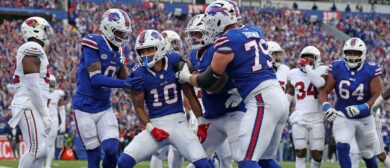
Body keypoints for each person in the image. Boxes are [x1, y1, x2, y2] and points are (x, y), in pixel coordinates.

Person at [177, 1, 289, 167]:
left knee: (246, 160)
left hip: (261, 100)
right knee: (265, 160)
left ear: (220, 20)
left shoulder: (226, 40)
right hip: (276, 95)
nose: (208, 27)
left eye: (210, 21)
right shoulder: (254, 30)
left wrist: (187, 77)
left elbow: (208, 80)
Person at [118, 29, 213, 168]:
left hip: (179, 123)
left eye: (149, 49)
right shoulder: (139, 73)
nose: (145, 55)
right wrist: (151, 128)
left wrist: (201, 121)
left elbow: (190, 95)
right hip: (156, 124)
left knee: (204, 164)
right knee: (123, 162)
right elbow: (138, 106)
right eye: (142, 51)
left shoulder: (174, 62)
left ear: (161, 47)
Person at [71, 9, 143, 168]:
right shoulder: (93, 42)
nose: (123, 37)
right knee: (94, 157)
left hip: (104, 106)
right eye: (119, 32)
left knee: (111, 151)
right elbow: (96, 79)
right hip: (84, 107)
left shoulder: (122, 50)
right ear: (107, 28)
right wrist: (126, 83)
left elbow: (126, 82)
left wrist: (142, 79)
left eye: (125, 33)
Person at [185, 14, 246, 168]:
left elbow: (213, 86)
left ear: (210, 32)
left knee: (242, 158)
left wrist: (189, 77)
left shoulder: (219, 50)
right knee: (198, 159)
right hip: (213, 115)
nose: (193, 38)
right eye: (192, 34)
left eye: (197, 34)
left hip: (233, 112)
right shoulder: (194, 53)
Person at [319, 37, 382, 168]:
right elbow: (324, 91)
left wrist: (362, 107)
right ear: (344, 53)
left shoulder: (371, 70)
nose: (352, 56)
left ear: (363, 54)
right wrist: (327, 107)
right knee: (342, 145)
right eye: (349, 52)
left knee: (367, 153)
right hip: (344, 115)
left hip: (365, 118)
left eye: (356, 53)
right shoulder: (336, 67)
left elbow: (377, 94)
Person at [8, 16, 54, 168]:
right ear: (35, 30)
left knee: (42, 152)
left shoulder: (36, 49)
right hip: (28, 103)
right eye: (45, 30)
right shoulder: (32, 47)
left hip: (34, 103)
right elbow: (32, 85)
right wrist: (45, 112)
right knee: (36, 149)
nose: (47, 35)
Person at [286, 46, 327, 168]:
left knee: (318, 154)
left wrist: (308, 67)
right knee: (300, 152)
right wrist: (282, 108)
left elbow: (319, 83)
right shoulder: (293, 73)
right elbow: (289, 93)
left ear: (317, 58)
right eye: (304, 57)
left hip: (316, 117)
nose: (306, 59)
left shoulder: (323, 69)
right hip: (299, 118)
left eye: (310, 57)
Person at [150, 30, 185, 168]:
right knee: (162, 150)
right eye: (174, 43)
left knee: (166, 150)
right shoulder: (171, 61)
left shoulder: (158, 62)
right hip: (166, 110)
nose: (177, 47)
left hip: (166, 109)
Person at [45, 75, 66, 168]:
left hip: (53, 120)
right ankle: (40, 164)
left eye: (52, 83)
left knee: (50, 143)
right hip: (43, 120)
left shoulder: (57, 94)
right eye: (50, 83)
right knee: (42, 143)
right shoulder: (41, 91)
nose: (51, 85)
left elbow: (61, 109)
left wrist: (63, 122)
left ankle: (48, 165)